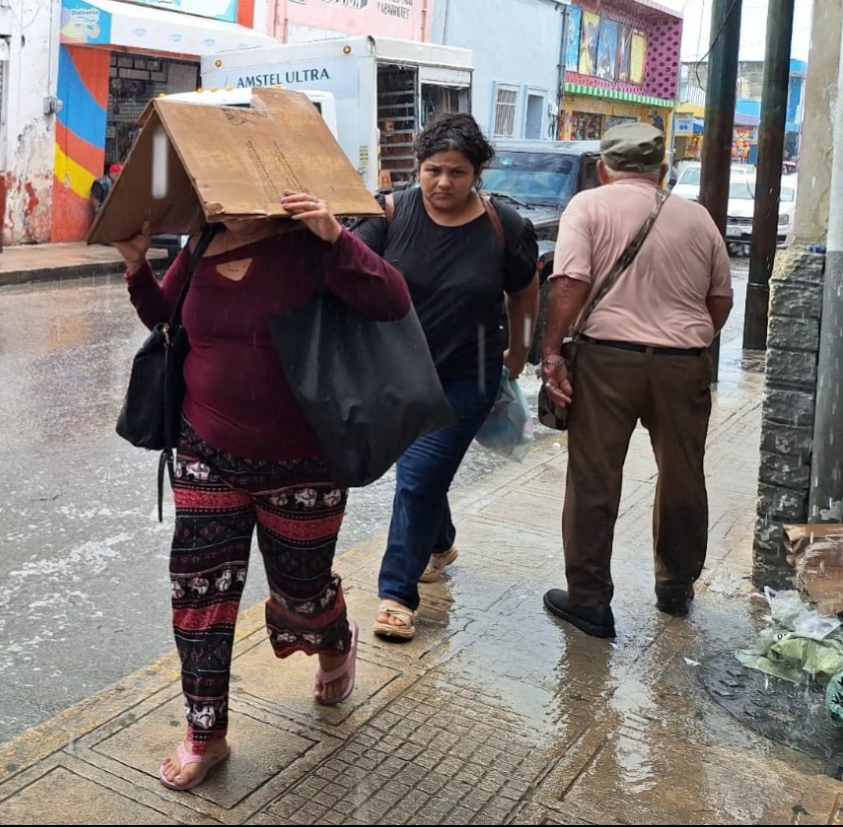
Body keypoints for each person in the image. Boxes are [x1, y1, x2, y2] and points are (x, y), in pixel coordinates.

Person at [114, 192, 411, 792]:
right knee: (199, 596)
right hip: (205, 452)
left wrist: (336, 236)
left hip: (305, 462)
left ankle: (334, 637)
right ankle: (206, 732)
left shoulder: (311, 241)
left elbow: (392, 302)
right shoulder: (201, 242)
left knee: (301, 592)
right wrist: (135, 265)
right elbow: (165, 321)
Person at [538, 123, 733, 640]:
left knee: (593, 478)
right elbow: (720, 300)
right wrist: (684, 343)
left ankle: (589, 602)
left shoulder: (588, 206)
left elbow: (570, 282)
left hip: (606, 360)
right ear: (662, 170)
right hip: (684, 362)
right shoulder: (697, 216)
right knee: (683, 473)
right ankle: (675, 587)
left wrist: (553, 353)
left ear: (604, 167)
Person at [352, 113, 539, 642]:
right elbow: (346, 265)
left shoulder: (505, 226)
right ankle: (441, 542)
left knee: (417, 476)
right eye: (433, 170)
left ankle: (396, 594)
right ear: (418, 167)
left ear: (477, 172)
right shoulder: (389, 213)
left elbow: (525, 292)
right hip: (397, 376)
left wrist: (519, 351)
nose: (442, 183)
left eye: (457, 172)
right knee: (423, 476)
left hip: (468, 376)